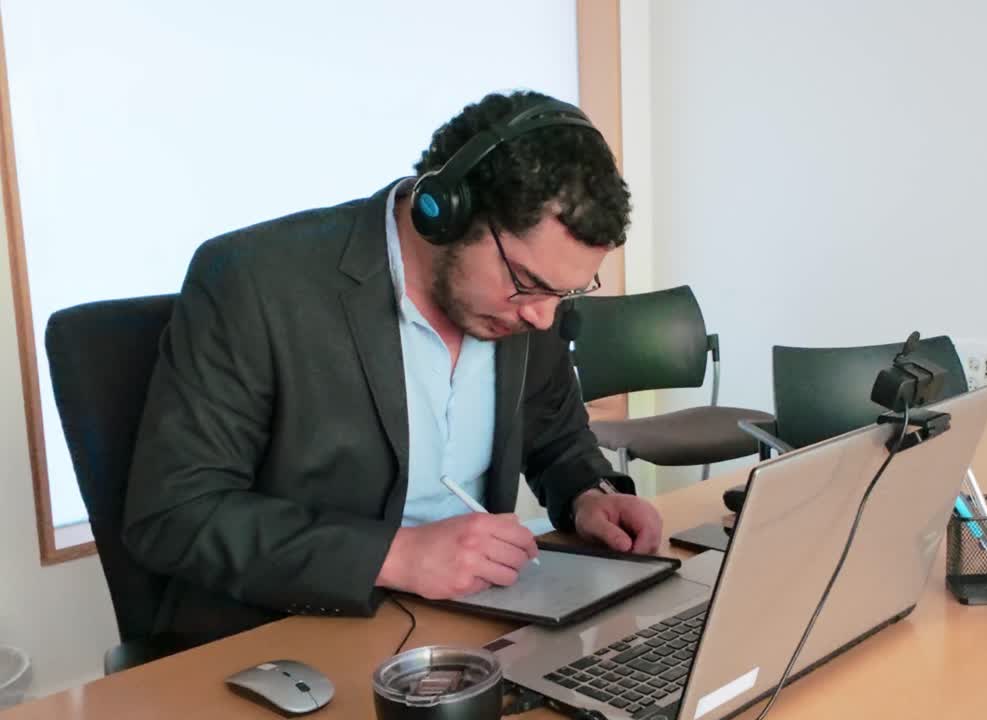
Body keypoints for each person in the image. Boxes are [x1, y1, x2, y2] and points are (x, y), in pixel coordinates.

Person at [122, 90, 663, 643]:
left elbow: (555, 436)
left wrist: (590, 495)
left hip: (468, 629)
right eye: (527, 284)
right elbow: (174, 513)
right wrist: (396, 556)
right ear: (446, 212)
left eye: (565, 293)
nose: (544, 316)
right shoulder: (254, 281)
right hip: (288, 636)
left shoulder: (528, 304)